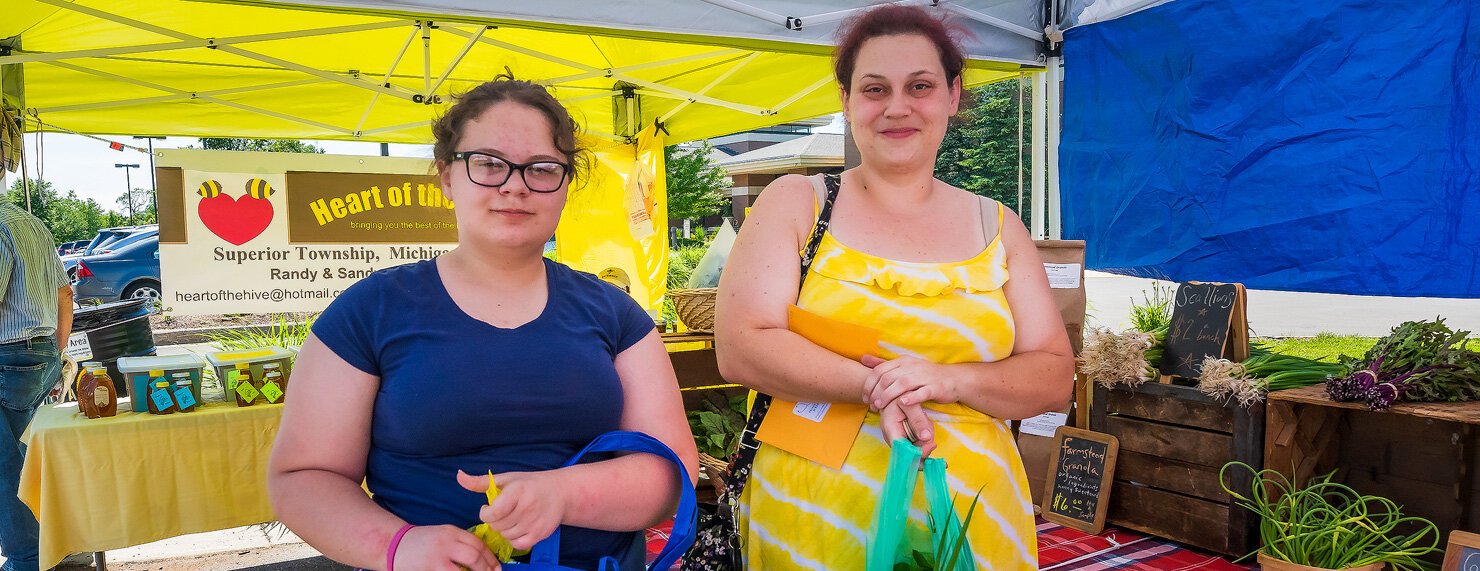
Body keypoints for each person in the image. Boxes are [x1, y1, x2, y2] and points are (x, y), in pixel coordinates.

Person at [267, 78, 697, 571]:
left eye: (541, 168)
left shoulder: (617, 316)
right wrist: (399, 546)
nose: (515, 184)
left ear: (564, 185)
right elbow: (303, 476)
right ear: (448, 177)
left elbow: (672, 472)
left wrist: (564, 494)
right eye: (489, 164)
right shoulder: (370, 311)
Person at [714, 5, 1076, 569]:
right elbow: (741, 345)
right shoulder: (798, 202)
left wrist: (945, 379)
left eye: (921, 86)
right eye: (875, 88)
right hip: (813, 525)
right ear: (847, 100)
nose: (897, 107)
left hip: (974, 521)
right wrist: (876, 387)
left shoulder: (999, 226)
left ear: (952, 97)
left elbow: (1053, 375)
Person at [0, 200, 71, 571]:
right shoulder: (32, 223)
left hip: (9, 354)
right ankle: (57, 543)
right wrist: (55, 354)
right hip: (40, 352)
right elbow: (65, 294)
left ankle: (28, 559)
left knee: (7, 465)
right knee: (31, 456)